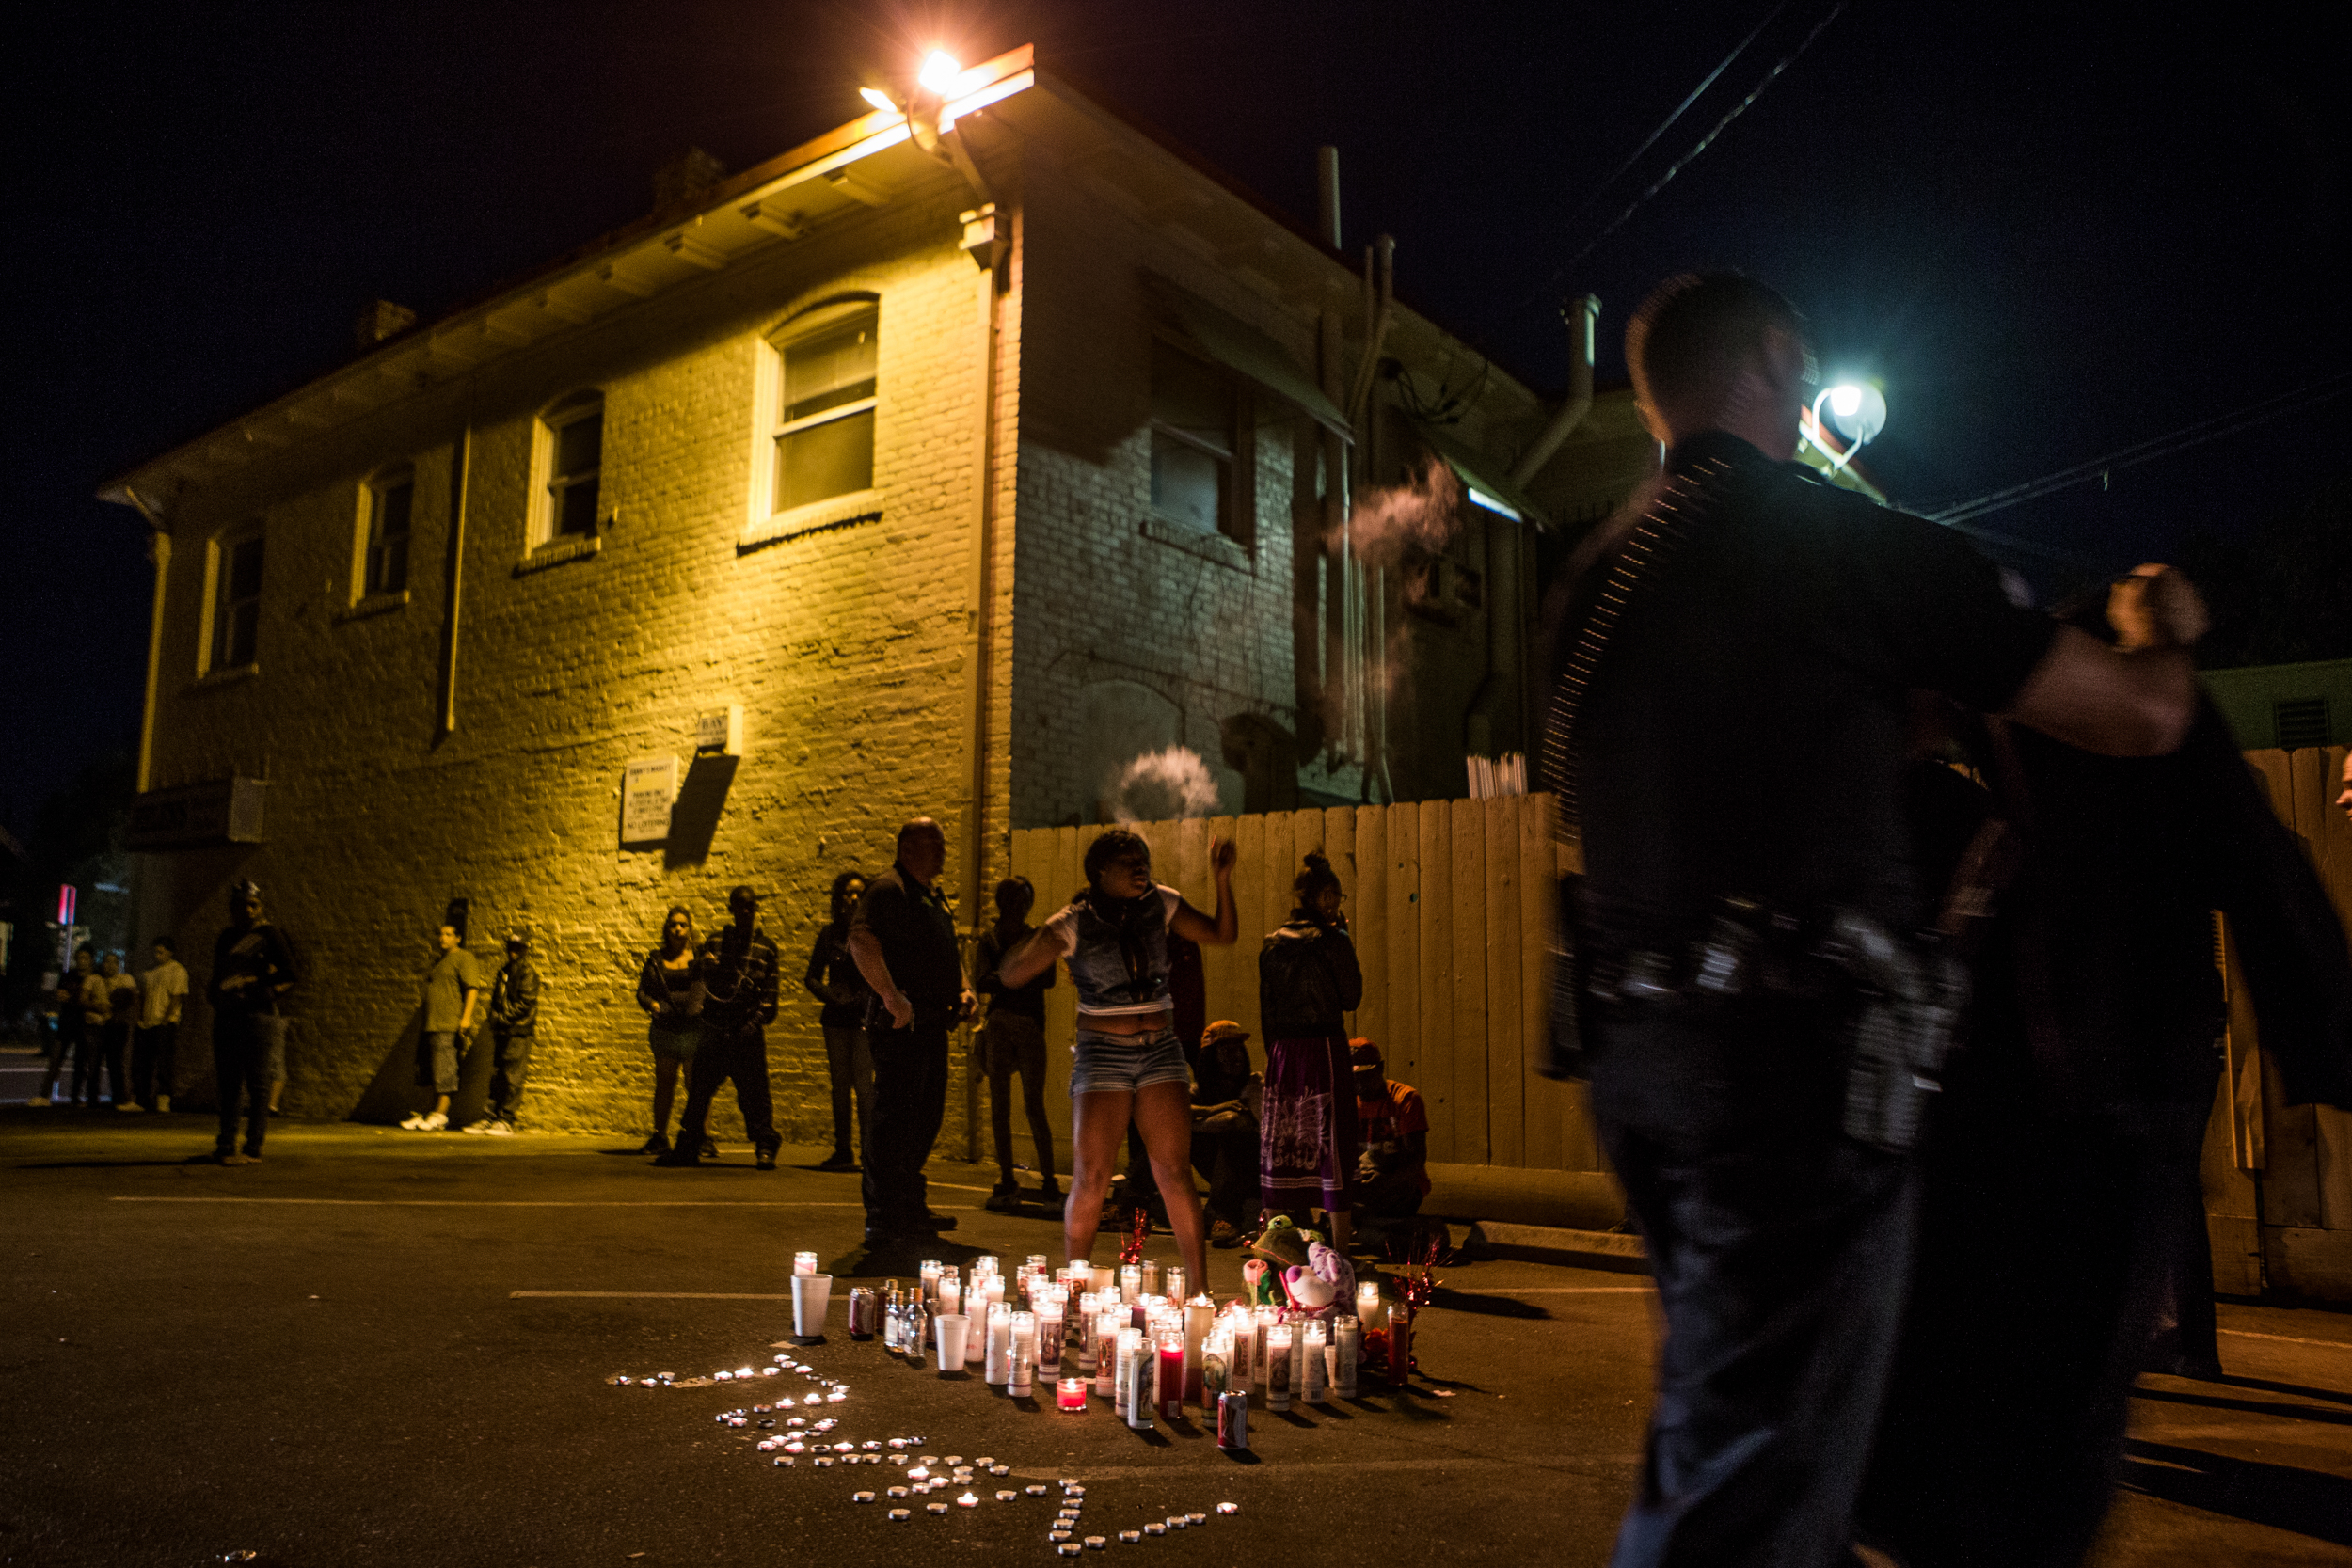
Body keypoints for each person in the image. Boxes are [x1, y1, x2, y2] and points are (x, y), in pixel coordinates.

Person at [1546, 271, 2209, 1568]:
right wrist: (2161, 629)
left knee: (1763, 1430)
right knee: (1746, 1496)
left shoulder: (1594, 578)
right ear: (1785, 357)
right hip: (1791, 1081)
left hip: (1637, 1067)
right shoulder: (1843, 544)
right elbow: (2136, 718)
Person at [1859, 579, 2352, 1568]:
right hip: (2074, 1088)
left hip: (2107, 1085)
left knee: (2039, 1421)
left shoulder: (2077, 722)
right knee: (2021, 1405)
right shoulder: (1977, 772)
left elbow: (2243, 841)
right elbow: (2250, 850)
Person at [995, 827, 1238, 1289]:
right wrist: (1041, 938)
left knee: (1174, 1172)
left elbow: (1222, 934)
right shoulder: (1074, 921)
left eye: (1143, 858)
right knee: (1093, 1177)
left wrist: (1222, 878)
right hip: (1102, 1053)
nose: (1140, 867)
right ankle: (1073, 1292)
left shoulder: (1161, 903)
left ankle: (1201, 1291)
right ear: (1100, 871)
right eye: (1128, 861)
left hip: (1160, 1050)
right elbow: (1011, 974)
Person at [846, 819, 976, 1243]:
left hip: (932, 1024)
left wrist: (964, 987)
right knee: (896, 1118)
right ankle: (884, 1217)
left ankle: (907, 1204)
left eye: (942, 843)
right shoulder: (887, 890)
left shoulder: (931, 896)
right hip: (902, 1026)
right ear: (906, 848)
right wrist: (890, 996)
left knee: (925, 1117)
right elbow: (861, 940)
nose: (941, 850)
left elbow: (947, 948)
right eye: (931, 843)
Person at [1257, 852, 1365, 1253]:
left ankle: (1273, 1243)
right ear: (1319, 898)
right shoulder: (1333, 940)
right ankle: (1340, 1247)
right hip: (1323, 1050)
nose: (1335, 903)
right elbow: (1351, 996)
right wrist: (1345, 939)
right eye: (1332, 895)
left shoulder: (1272, 943)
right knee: (1332, 1141)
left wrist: (1276, 1059)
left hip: (1283, 1053)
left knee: (1280, 1141)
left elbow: (1267, 1011)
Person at [664, 887, 783, 1169]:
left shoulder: (766, 948)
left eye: (750, 906)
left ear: (755, 909)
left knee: (755, 1095)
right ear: (731, 908)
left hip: (746, 1031)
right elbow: (695, 982)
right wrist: (702, 966)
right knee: (700, 1092)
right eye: (739, 906)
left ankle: (765, 1145)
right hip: (715, 1029)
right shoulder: (716, 942)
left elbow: (770, 997)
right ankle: (688, 1145)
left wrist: (752, 1025)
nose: (745, 911)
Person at [974, 875, 1060, 1212]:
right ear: (1003, 902)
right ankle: (1008, 1177)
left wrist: (1006, 979)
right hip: (1004, 1024)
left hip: (1025, 1024)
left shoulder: (1030, 938)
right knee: (1000, 1106)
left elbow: (1049, 978)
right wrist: (1023, 976)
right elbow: (982, 980)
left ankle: (1049, 1180)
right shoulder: (992, 941)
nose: (1020, 906)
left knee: (1033, 1105)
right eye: (1014, 899)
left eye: (1025, 899)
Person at [207, 881, 296, 1164]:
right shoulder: (227, 937)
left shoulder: (270, 935)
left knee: (258, 1083)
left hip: (259, 1015)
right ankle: (226, 1144)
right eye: (241, 905)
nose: (247, 910)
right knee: (229, 1083)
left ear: (260, 906)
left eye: (252, 904)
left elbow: (291, 972)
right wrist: (215, 996)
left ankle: (253, 1146)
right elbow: (217, 973)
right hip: (228, 1015)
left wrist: (254, 982)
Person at [803, 870, 875, 1172]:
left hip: (861, 1018)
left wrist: (863, 1000)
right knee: (839, 1085)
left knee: (864, 1085)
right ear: (839, 898)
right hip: (835, 1018)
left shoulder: (872, 934)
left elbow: (880, 975)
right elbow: (811, 977)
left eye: (859, 893)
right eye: (848, 893)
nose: (854, 898)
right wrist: (832, 996)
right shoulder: (829, 935)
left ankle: (871, 1151)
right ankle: (843, 1148)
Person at [635, 905, 707, 1157]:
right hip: (665, 1027)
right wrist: (652, 1004)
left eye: (683, 924)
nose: (678, 929)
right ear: (667, 928)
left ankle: (700, 1135)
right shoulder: (656, 958)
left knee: (695, 1084)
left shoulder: (699, 957)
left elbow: (707, 987)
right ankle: (660, 1136)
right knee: (665, 1083)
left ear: (690, 929)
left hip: (692, 1027)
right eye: (673, 924)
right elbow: (642, 991)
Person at [402, 924, 483, 1132]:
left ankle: (440, 1114)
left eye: (448, 934)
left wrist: (465, 1018)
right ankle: (426, 1112)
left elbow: (472, 989)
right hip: (431, 1024)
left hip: (447, 1024)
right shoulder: (439, 962)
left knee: (445, 1070)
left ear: (458, 938)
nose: (443, 938)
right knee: (428, 1071)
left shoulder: (464, 958)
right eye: (440, 934)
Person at [1189, 1020, 1263, 1247]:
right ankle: (1134, 1201)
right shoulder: (1198, 1090)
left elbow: (1244, 1125)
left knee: (1235, 1130)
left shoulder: (1253, 1083)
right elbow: (1171, 1115)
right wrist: (1215, 1109)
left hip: (1250, 1167)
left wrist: (1202, 1122)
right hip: (1214, 1166)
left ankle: (1222, 1215)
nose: (1236, 1056)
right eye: (1227, 1050)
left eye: (1239, 1049)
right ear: (1211, 1056)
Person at [1349, 1038, 1430, 1243]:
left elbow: (1416, 1159)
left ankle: (1370, 1227)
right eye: (1352, 1076)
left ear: (1380, 1068)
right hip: (1363, 1184)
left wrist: (1384, 1183)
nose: (1359, 1083)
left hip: (1398, 1184)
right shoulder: (1345, 1102)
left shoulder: (1405, 1098)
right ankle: (1376, 1229)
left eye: (1365, 1075)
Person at [463, 931, 539, 1136]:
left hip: (518, 1031)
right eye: (511, 947)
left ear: (524, 950)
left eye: (517, 948)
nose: (513, 952)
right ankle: (490, 1118)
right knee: (497, 1075)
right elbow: (497, 999)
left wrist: (502, 1018)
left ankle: (506, 1119)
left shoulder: (527, 973)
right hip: (504, 1030)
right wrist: (494, 1017)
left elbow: (525, 1003)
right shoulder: (504, 971)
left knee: (512, 1076)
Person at [133, 937, 189, 1113]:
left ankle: (164, 1097)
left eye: (161, 952)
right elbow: (143, 995)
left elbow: (176, 997)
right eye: (155, 952)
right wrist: (141, 1017)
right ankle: (142, 1098)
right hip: (148, 1022)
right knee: (144, 1062)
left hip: (165, 1022)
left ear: (170, 952)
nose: (157, 955)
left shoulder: (177, 970)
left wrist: (166, 1019)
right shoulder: (152, 971)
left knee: (164, 1062)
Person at [32, 949, 92, 1107]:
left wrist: (74, 998)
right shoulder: (67, 976)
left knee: (80, 1064)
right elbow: (62, 995)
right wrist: (79, 999)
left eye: (85, 958)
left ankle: (75, 1097)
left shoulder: (94, 977)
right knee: (55, 1061)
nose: (81, 961)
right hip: (66, 1024)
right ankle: (44, 1095)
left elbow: (80, 999)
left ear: (91, 960)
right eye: (79, 958)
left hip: (83, 1025)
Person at [72, 946, 113, 1108]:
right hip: (91, 1025)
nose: (109, 966)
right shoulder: (93, 979)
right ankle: (82, 1096)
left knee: (94, 1063)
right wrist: (98, 1007)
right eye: (106, 962)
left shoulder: (108, 981)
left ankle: (90, 1096)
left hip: (102, 1025)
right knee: (87, 1062)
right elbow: (83, 999)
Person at [95, 952, 137, 1109]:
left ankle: (125, 1097)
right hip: (105, 1025)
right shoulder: (98, 980)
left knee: (121, 1061)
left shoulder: (126, 979)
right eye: (107, 962)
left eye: (114, 962)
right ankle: (114, 1096)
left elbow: (131, 998)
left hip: (121, 1025)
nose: (110, 965)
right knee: (109, 1062)